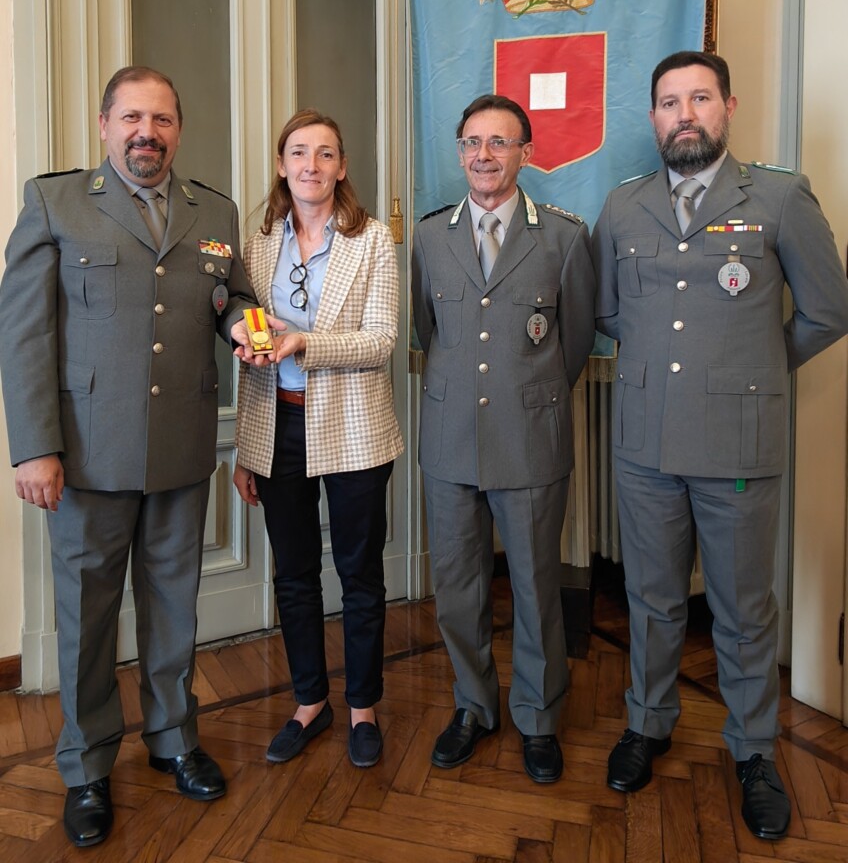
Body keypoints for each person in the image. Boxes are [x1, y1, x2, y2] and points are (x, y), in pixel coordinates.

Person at [0, 67, 267, 848]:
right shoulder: (55, 203)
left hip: (181, 448)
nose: (147, 133)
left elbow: (234, 297)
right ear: (105, 124)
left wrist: (246, 326)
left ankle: (174, 739)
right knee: (87, 618)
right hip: (86, 456)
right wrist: (36, 448)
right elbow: (24, 336)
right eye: (131, 118)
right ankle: (86, 766)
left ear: (178, 130)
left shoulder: (214, 211)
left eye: (162, 120)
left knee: (174, 607)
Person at [592, 50, 848, 841]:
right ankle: (647, 723)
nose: (685, 115)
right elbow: (608, 313)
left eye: (699, 98)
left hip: (738, 445)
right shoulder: (623, 206)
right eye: (669, 102)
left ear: (728, 107)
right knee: (652, 599)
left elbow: (829, 311)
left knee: (741, 610)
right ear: (653, 118)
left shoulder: (778, 197)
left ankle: (754, 752)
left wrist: (751, 371)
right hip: (645, 444)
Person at [411, 94, 596, 784]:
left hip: (530, 440)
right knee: (458, 587)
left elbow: (573, 343)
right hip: (451, 441)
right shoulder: (430, 236)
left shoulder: (565, 238)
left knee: (536, 587)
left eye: (499, 142)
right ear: (460, 152)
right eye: (472, 143)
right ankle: (473, 705)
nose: (483, 155)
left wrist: (527, 396)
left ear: (526, 152)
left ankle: (539, 718)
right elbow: (428, 331)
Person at [234, 109, 403, 770]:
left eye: (325, 153)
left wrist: (307, 342)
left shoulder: (373, 239)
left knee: (360, 575)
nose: (311, 165)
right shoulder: (258, 244)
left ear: (341, 167)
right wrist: (245, 449)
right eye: (299, 153)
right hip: (276, 425)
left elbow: (382, 341)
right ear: (282, 166)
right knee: (295, 574)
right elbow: (248, 342)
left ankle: (363, 708)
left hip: (355, 428)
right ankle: (310, 702)